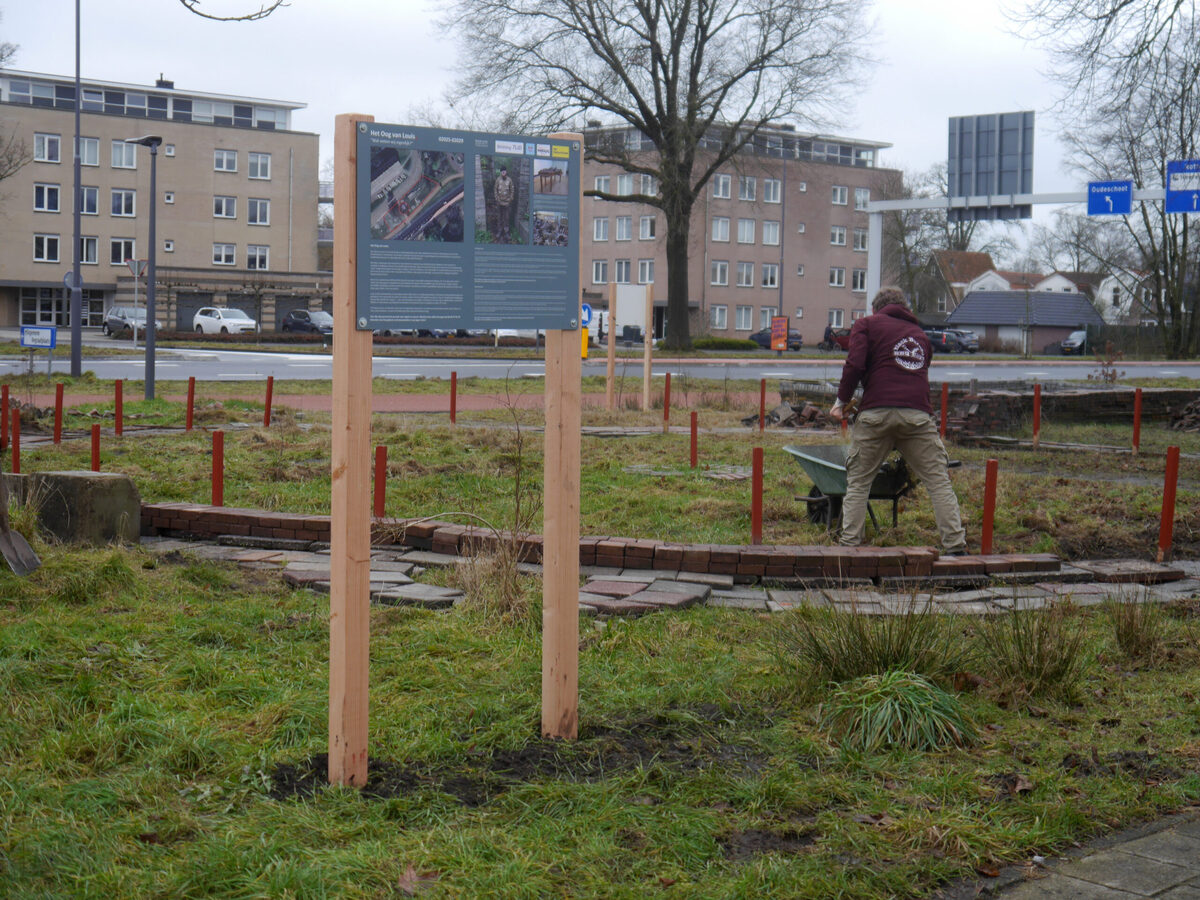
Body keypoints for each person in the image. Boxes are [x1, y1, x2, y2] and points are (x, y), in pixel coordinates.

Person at [829, 287, 967, 555]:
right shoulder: (921, 336)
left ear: (875, 309)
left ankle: (848, 548)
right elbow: (916, 372)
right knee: (938, 481)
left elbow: (855, 365)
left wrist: (840, 402)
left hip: (876, 414)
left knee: (858, 482)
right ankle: (956, 546)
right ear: (904, 308)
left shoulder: (866, 325)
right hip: (917, 415)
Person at [493, 166, 515, 243]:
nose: (503, 173)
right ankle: (499, 231)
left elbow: (512, 190)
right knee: (499, 217)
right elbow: (495, 190)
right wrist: (497, 199)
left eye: (504, 171)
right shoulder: (498, 180)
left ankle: (506, 232)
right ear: (500, 172)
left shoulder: (509, 180)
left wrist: (510, 200)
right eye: (502, 171)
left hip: (507, 203)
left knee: (506, 218)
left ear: (506, 172)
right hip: (499, 202)